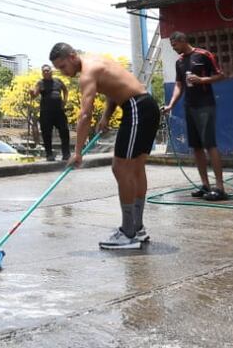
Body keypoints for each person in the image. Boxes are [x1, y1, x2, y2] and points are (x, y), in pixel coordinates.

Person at [51, 42, 160, 251]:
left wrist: (77, 152)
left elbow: (85, 114)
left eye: (63, 67)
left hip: (136, 108)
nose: (63, 73)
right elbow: (113, 90)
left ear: (72, 56)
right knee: (136, 169)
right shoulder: (97, 61)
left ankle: (128, 233)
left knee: (120, 168)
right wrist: (106, 117)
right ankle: (137, 228)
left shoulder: (87, 74)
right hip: (145, 106)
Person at [162, 32, 229, 201]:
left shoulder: (204, 55)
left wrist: (201, 80)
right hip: (189, 106)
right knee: (196, 147)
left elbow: (221, 75)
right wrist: (171, 105)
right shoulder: (179, 62)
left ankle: (220, 188)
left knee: (209, 144)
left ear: (183, 41)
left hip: (205, 105)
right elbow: (179, 85)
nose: (174, 48)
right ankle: (205, 185)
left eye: (175, 45)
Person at [29, 64, 71, 161]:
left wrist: (65, 101)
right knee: (46, 133)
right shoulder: (40, 83)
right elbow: (34, 95)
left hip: (59, 111)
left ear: (51, 71)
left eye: (47, 70)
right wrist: (31, 92)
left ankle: (66, 154)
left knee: (64, 131)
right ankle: (49, 155)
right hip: (46, 112)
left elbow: (65, 90)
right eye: (44, 71)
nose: (46, 72)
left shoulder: (58, 81)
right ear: (42, 73)